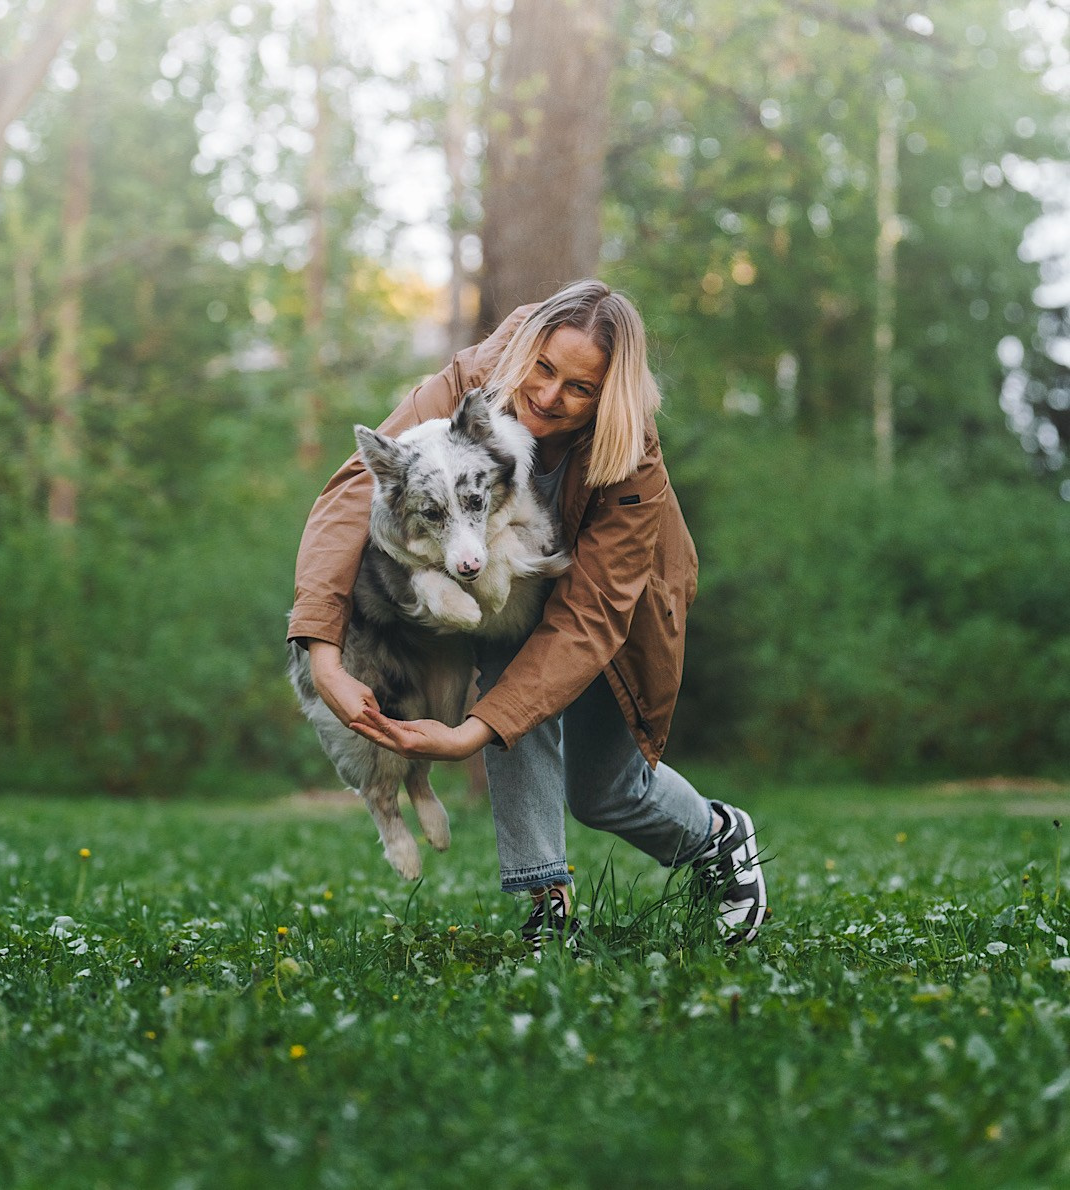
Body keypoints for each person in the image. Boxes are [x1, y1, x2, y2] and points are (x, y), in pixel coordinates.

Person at [288, 279, 767, 950]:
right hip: (507, 591)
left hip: (610, 604)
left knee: (607, 794)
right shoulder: (474, 380)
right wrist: (323, 650)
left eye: (579, 388)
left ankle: (720, 837)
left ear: (610, 396)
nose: (548, 396)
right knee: (510, 670)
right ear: (527, 349)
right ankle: (549, 900)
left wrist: (469, 735)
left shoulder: (633, 458)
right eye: (544, 369)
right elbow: (352, 495)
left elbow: (588, 617)